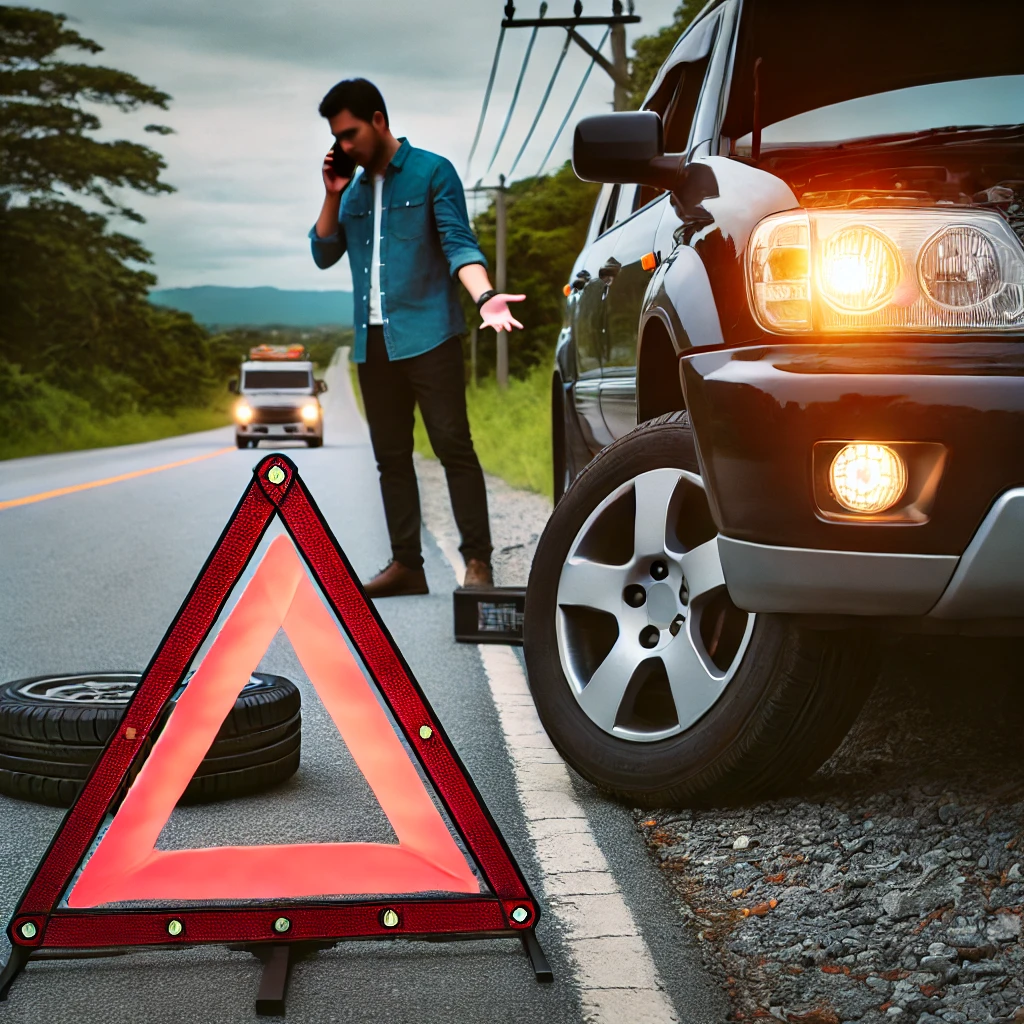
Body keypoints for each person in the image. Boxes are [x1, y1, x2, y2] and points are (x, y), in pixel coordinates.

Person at [309, 78, 524, 598]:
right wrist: (331, 194)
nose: (344, 146)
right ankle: (407, 564)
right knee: (391, 457)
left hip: (430, 336)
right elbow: (322, 252)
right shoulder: (353, 192)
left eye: (351, 133)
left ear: (379, 120)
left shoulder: (432, 172)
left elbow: (458, 244)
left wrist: (484, 296)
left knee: (453, 445)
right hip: (373, 343)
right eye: (337, 137)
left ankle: (477, 562)